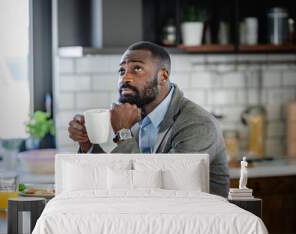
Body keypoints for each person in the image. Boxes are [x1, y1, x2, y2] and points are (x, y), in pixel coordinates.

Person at [68, 41, 229, 197]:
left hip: (198, 221)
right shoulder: (139, 120)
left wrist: (123, 133)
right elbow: (122, 179)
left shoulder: (197, 125)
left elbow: (167, 191)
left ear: (163, 76)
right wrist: (87, 144)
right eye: (122, 71)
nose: (125, 78)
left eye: (137, 68)